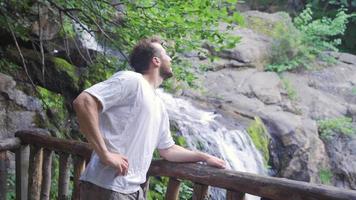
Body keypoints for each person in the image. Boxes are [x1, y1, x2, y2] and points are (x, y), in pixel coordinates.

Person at [73, 36, 226, 200]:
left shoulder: (158, 104)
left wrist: (204, 157)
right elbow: (83, 102)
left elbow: (168, 150)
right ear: (156, 61)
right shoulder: (132, 80)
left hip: (132, 190)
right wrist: (105, 154)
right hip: (105, 187)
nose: (170, 58)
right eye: (166, 55)